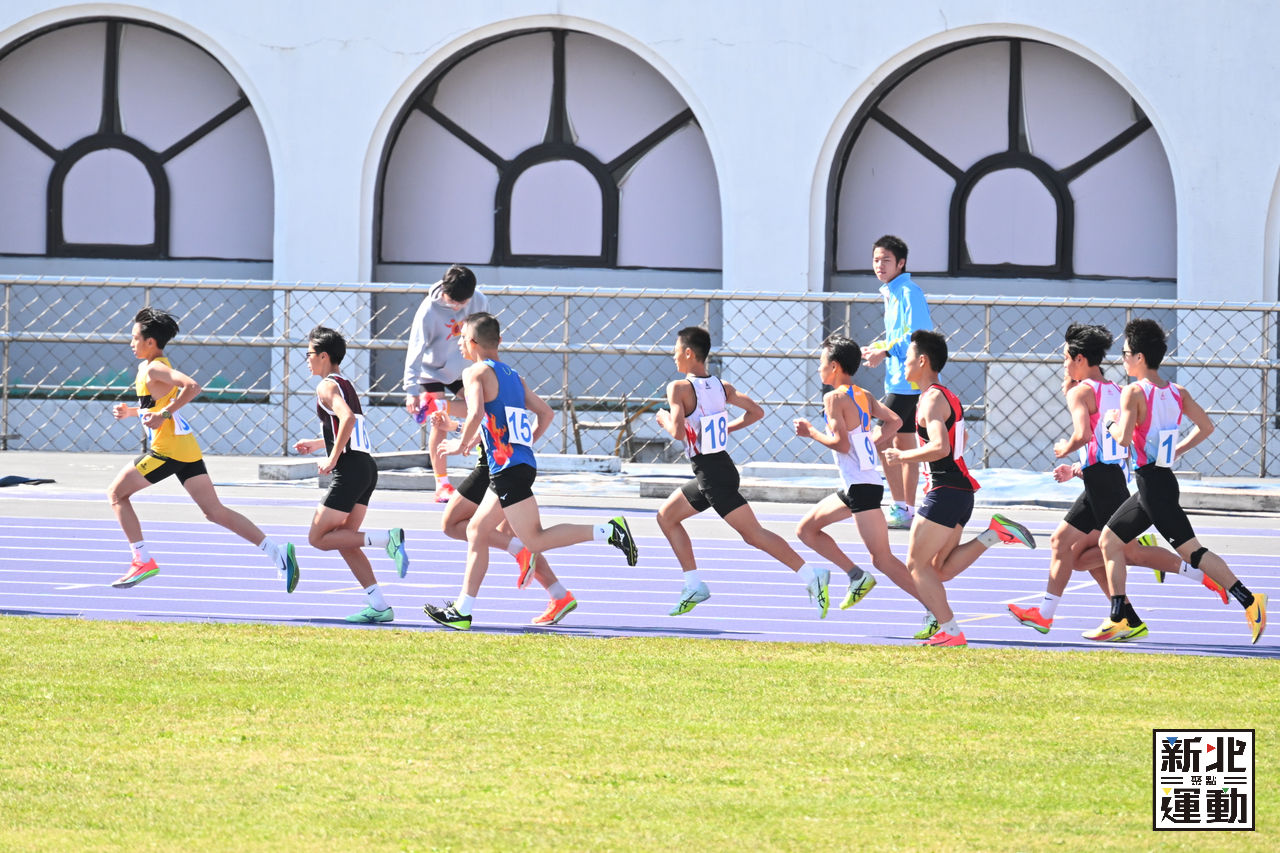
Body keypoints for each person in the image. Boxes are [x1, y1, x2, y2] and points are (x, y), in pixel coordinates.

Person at [1008, 324, 1225, 640]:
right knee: (1069, 549)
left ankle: (1203, 575)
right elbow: (1109, 444)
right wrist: (1079, 468)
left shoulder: (1081, 392)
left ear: (1080, 358)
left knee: (1128, 553)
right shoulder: (1117, 389)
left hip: (1103, 482)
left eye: (1065, 358)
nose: (1063, 364)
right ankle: (1117, 617)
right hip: (1104, 478)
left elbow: (1084, 435)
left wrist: (1064, 448)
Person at [423, 312, 636, 630]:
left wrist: (459, 445)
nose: (460, 344)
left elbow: (476, 412)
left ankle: (609, 531)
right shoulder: (513, 377)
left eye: (462, 338)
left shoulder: (475, 372)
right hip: (517, 466)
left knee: (533, 540)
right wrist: (521, 446)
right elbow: (546, 414)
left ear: (473, 342)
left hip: (507, 469)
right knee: (479, 531)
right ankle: (462, 610)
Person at [1092, 319, 1267, 643]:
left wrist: (1109, 422)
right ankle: (1120, 618)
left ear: (1140, 357)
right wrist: (1177, 450)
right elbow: (1207, 427)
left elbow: (1124, 439)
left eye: (1126, 353)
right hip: (1157, 481)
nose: (1123, 359)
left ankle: (1250, 600)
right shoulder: (1177, 393)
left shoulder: (1133, 392)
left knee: (1192, 553)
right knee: (1109, 541)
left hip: (1153, 487)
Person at [107, 308, 300, 591]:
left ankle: (142, 560)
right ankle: (277, 552)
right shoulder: (147, 368)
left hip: (166, 451)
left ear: (150, 342)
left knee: (116, 494)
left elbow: (192, 387)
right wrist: (133, 412)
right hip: (185, 449)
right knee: (214, 511)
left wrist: (165, 414)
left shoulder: (155, 368)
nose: (131, 343)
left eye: (135, 338)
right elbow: (156, 405)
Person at [654, 326, 826, 618]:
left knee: (754, 534)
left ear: (688, 353)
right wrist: (722, 429)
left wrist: (664, 418)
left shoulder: (679, 388)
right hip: (716, 469)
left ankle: (811, 575)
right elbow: (757, 412)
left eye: (675, 351)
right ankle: (693, 585)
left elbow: (679, 433)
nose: (673, 357)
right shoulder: (723, 387)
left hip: (712, 474)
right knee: (666, 517)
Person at [882, 329, 1037, 647]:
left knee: (916, 565)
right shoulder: (943, 396)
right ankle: (995, 533)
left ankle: (951, 632)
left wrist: (902, 456)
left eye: (907, 358)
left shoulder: (932, 399)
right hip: (958, 492)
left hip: (945, 491)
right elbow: (957, 441)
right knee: (938, 569)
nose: (903, 364)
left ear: (922, 361)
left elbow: (940, 446)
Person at [793, 335, 928, 613]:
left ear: (834, 366)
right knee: (806, 530)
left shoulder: (833, 398)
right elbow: (895, 421)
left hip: (861, 488)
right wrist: (871, 441)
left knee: (883, 559)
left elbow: (841, 445)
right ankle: (856, 576)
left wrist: (811, 432)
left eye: (821, 362)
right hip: (857, 486)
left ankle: (934, 608)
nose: (818, 368)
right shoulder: (863, 394)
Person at [294, 326, 409, 624]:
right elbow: (348, 427)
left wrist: (331, 458)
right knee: (345, 540)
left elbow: (346, 419)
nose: (306, 360)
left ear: (323, 356)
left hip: (350, 470)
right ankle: (379, 605)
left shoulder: (326, 387)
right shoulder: (344, 384)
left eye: (309, 354)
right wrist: (318, 443)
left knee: (318, 538)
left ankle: (387, 540)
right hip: (365, 467)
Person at [438, 438, 578, 627]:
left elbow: (480, 419)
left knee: (452, 524)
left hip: (494, 464)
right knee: (507, 532)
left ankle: (463, 609)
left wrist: (462, 440)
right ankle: (559, 594)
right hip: (510, 460)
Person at [861, 235, 932, 530]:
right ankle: (906, 509)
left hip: (907, 383)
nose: (880, 265)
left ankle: (893, 503)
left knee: (879, 439)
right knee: (904, 444)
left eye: (886, 260)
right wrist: (879, 348)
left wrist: (887, 351)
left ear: (901, 263)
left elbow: (918, 334)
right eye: (876, 260)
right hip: (900, 380)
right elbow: (899, 336)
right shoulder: (892, 292)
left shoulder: (908, 292)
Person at [402, 264, 487, 503]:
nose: (457, 307)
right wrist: (411, 390)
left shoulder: (479, 300)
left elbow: (484, 337)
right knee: (439, 424)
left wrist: (484, 370)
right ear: (444, 291)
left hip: (464, 368)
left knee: (480, 408)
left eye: (463, 302)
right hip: (433, 370)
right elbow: (415, 349)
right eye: (452, 302)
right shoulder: (428, 310)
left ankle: (438, 406)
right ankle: (442, 484)